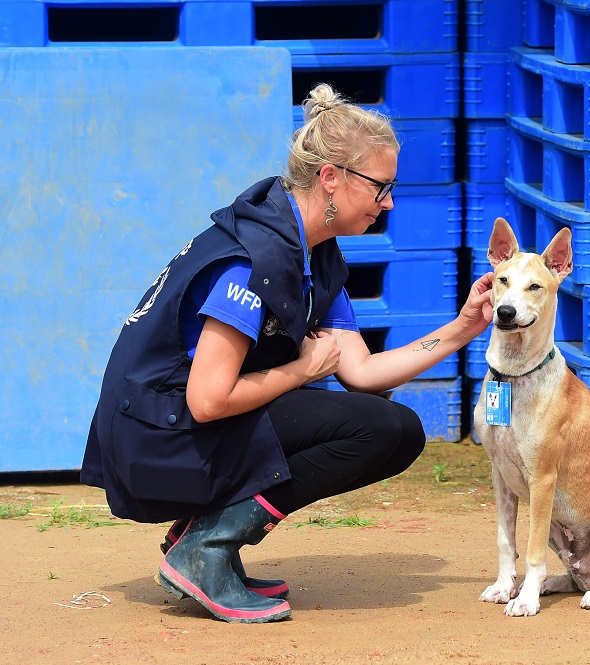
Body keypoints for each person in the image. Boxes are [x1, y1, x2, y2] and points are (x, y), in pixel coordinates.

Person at [80, 83, 495, 624]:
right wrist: (300, 369)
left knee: (393, 428)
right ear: (330, 179)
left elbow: (362, 372)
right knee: (380, 430)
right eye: (380, 187)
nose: (388, 202)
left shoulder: (312, 252)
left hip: (174, 423)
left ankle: (208, 534)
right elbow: (208, 399)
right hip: (154, 439)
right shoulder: (254, 260)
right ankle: (206, 546)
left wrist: (463, 328)